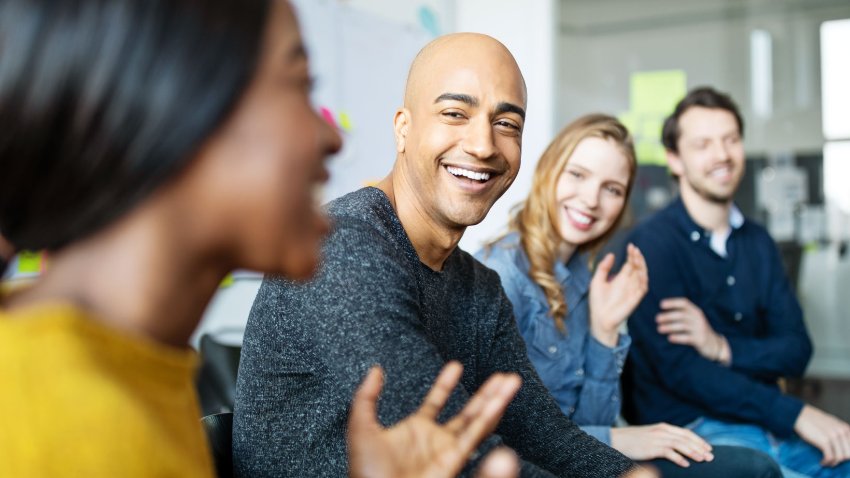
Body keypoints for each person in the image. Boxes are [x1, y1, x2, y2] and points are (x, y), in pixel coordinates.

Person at [0, 1, 525, 476]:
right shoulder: (53, 418)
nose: (331, 136)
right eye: (297, 85)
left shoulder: (140, 374)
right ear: (180, 114)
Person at [234, 32, 644, 478]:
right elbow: (458, 452)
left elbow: (543, 434)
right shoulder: (345, 246)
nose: (483, 145)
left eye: (506, 124)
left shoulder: (480, 288)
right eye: (455, 114)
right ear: (403, 128)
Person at [475, 113, 783, 478]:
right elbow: (498, 436)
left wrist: (605, 330)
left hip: (582, 459)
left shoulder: (582, 278)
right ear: (548, 171)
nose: (591, 199)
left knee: (753, 467)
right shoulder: (500, 275)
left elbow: (590, 420)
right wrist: (620, 439)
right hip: (535, 467)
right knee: (754, 470)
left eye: (612, 189)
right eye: (578, 175)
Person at [623, 86, 850, 477]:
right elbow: (684, 373)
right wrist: (795, 413)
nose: (722, 155)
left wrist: (722, 347)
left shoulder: (758, 242)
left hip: (769, 423)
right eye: (703, 144)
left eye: (731, 140)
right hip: (696, 429)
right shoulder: (652, 245)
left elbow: (797, 350)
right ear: (675, 159)